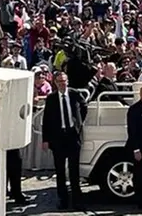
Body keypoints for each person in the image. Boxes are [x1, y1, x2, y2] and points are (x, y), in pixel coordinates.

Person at [41, 72, 87, 210]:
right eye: (59, 81)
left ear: (67, 81)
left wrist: (78, 124)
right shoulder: (51, 98)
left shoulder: (75, 94)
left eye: (64, 81)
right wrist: (45, 139)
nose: (62, 84)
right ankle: (63, 199)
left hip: (73, 136)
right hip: (58, 137)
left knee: (74, 171)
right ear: (55, 82)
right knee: (60, 171)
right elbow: (46, 120)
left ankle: (77, 200)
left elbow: (84, 107)